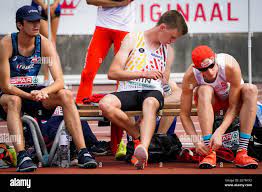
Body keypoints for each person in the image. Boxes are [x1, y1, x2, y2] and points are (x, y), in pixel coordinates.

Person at [0, 5, 97, 172]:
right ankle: (22, 156)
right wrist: (28, 95)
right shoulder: (6, 44)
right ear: (20, 25)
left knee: (65, 94)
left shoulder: (44, 43)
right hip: (9, 96)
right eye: (31, 22)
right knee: (14, 100)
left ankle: (83, 152)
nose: (36, 25)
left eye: (38, 21)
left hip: (34, 93)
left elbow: (59, 81)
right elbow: (5, 85)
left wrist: (44, 92)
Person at [99, 10, 188, 169]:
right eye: (172, 37)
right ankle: (139, 137)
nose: (172, 41)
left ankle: (144, 148)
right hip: (129, 90)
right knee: (105, 104)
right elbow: (112, 73)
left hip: (152, 93)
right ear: (162, 27)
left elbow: (165, 79)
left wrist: (167, 85)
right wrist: (144, 74)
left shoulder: (167, 49)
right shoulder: (133, 39)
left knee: (151, 103)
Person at [180, 45, 258, 169]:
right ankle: (209, 151)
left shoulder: (230, 66)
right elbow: (184, 114)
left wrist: (219, 132)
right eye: (203, 69)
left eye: (211, 66)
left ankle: (242, 152)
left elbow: (234, 106)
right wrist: (196, 141)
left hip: (233, 100)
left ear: (215, 59)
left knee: (251, 89)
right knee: (204, 89)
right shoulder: (190, 76)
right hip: (212, 101)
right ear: (196, 68)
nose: (209, 72)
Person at [76, 0, 136, 157]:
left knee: (122, 82)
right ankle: (78, 140)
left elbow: (126, 1)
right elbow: (90, 1)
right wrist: (115, 2)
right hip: (102, 27)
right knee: (87, 74)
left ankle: (115, 146)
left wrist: (107, 2)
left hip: (124, 29)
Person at [31, 0, 61, 83]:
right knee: (49, 42)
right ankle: (55, 79)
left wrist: (55, 4)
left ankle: (50, 78)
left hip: (55, 8)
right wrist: (44, 5)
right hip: (39, 8)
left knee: (51, 42)